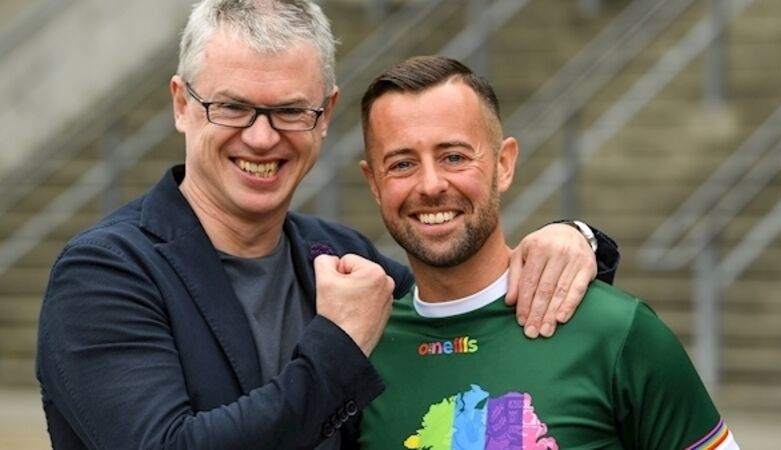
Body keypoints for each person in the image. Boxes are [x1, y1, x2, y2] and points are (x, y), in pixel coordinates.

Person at [35, 1, 619, 449]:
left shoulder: (342, 256)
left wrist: (579, 240)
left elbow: (474, 311)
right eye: (232, 107)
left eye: (291, 111)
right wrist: (337, 346)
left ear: (325, 115)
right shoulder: (104, 272)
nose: (261, 137)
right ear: (182, 104)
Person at [355, 55, 739, 449]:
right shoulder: (360, 353)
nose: (431, 185)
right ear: (373, 184)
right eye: (402, 164)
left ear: (504, 164)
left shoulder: (618, 332)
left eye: (454, 157)